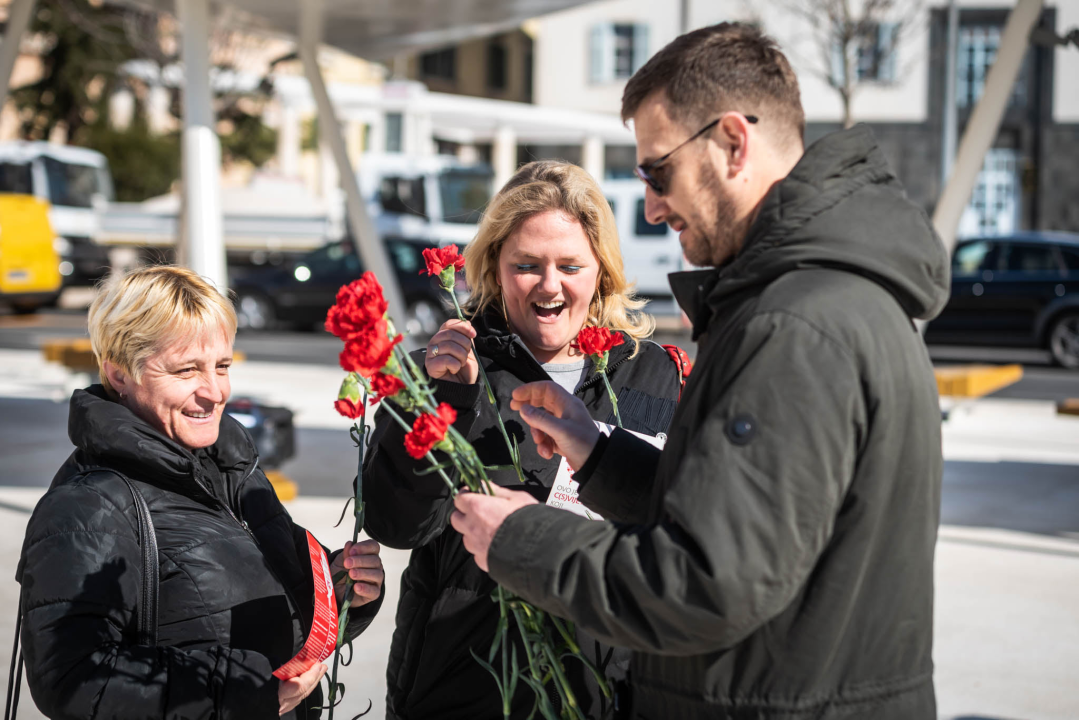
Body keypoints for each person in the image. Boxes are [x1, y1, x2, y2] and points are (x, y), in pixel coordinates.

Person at [450, 23, 951, 720]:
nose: (652, 207)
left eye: (658, 172)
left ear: (731, 143)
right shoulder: (826, 298)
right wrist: (598, 457)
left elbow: (703, 584)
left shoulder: (793, 325)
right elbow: (758, 520)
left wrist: (521, 541)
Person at [362, 160, 689, 719]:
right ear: (493, 266)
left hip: (610, 696)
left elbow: (679, 530)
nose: (550, 285)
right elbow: (397, 525)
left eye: (570, 265)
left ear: (602, 271)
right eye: (527, 265)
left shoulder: (654, 373)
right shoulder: (444, 370)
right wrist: (448, 404)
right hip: (469, 693)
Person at [16, 266, 386, 719]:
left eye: (222, 366)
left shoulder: (230, 467)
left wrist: (343, 588)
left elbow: (278, 605)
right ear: (119, 375)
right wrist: (241, 692)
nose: (214, 392)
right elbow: (72, 680)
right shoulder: (88, 506)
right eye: (187, 369)